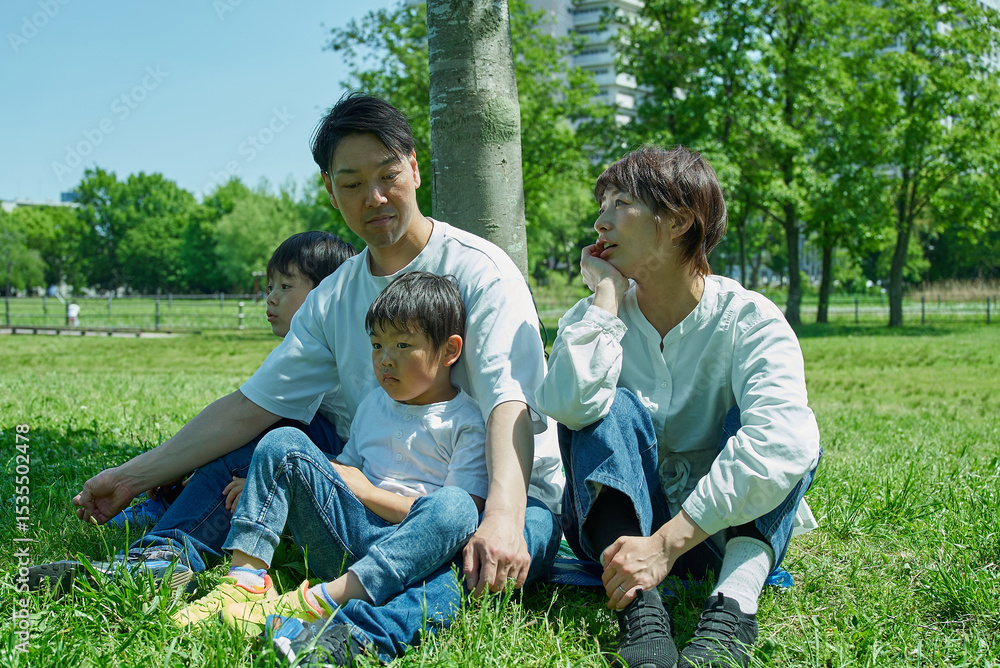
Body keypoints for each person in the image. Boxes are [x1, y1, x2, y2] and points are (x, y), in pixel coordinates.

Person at [63, 93, 562, 663]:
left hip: (501, 497)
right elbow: (251, 405)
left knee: (467, 550)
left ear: (414, 168)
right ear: (330, 190)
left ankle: (350, 635)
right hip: (376, 497)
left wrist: (502, 517)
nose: (374, 198)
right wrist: (131, 476)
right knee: (267, 442)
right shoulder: (335, 296)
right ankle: (162, 563)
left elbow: (509, 403)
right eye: (352, 184)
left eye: (388, 176)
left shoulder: (482, 271)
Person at [535, 146, 821, 668]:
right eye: (601, 205)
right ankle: (640, 611)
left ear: (678, 222)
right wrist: (605, 300)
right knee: (605, 406)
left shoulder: (750, 319)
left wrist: (667, 544)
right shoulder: (592, 317)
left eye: (621, 203)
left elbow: (783, 443)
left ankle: (733, 607)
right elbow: (568, 409)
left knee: (785, 430)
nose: (600, 222)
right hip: (618, 538)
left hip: (723, 535)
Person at [172, 272, 489, 664]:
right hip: (347, 538)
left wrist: (367, 491)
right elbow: (344, 471)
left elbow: (459, 523)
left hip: (411, 556)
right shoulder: (374, 405)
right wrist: (268, 481)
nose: (386, 359)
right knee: (283, 442)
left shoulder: (466, 421)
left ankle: (319, 601)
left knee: (456, 505)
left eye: (403, 345)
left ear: (449, 350)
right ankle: (246, 581)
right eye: (377, 345)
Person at [29, 231, 358, 593]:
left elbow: (242, 415)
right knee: (258, 429)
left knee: (253, 448)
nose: (271, 297)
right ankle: (173, 506)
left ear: (326, 292)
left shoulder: (326, 341)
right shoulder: (334, 338)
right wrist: (170, 468)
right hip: (337, 464)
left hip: (352, 488)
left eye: (285, 285)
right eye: (270, 286)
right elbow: (241, 417)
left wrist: (268, 481)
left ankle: (166, 554)